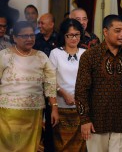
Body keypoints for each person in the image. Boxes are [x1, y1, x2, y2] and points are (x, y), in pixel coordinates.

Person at [75, 14, 122, 152]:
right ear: (105, 32)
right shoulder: (90, 56)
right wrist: (84, 120)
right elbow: (81, 90)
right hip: (96, 123)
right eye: (117, 31)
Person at [0, 21, 59, 151]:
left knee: (30, 147)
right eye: (24, 36)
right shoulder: (4, 55)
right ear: (14, 38)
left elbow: (50, 83)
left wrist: (54, 107)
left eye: (32, 35)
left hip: (33, 112)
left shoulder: (41, 56)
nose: (29, 39)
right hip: (7, 113)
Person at [49, 19, 87, 152]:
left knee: (81, 146)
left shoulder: (85, 53)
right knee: (62, 146)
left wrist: (79, 96)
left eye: (77, 34)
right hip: (61, 107)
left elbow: (89, 80)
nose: (74, 38)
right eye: (70, 35)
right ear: (64, 36)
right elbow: (50, 80)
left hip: (81, 109)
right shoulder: (55, 54)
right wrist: (63, 93)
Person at [33, 13, 58, 152]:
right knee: (35, 122)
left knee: (51, 121)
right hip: (36, 87)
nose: (39, 26)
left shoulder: (60, 39)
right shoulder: (35, 40)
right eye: (39, 23)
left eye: (42, 23)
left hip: (53, 87)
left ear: (51, 24)